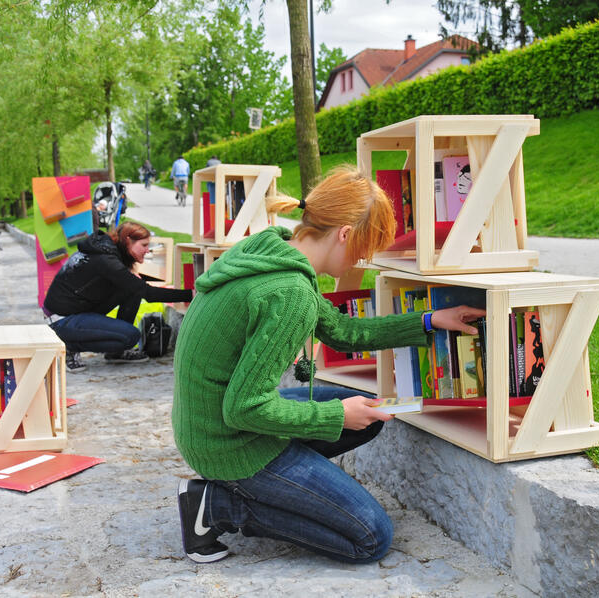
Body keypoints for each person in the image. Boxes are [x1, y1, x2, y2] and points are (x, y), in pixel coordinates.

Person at [172, 167, 486, 564]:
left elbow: (342, 330)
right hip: (229, 443)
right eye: (365, 246)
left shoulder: (273, 249)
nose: (365, 258)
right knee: (371, 537)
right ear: (344, 234)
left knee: (368, 412)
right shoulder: (290, 294)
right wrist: (333, 415)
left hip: (205, 422)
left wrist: (429, 320)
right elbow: (245, 407)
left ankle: (290, 488)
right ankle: (219, 505)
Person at [43, 221, 193, 372]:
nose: (148, 250)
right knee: (131, 336)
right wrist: (190, 294)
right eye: (144, 245)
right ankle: (69, 345)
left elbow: (137, 288)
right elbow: (149, 293)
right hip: (61, 320)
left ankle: (116, 352)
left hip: (75, 310)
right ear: (128, 240)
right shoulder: (106, 261)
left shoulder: (104, 251)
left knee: (132, 288)